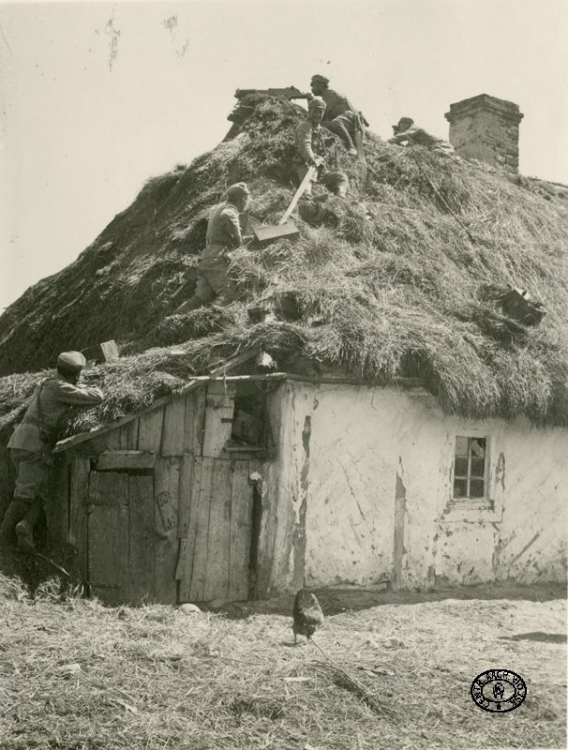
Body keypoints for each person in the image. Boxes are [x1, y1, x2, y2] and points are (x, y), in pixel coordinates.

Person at [0, 351, 103, 553]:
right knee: (25, 494)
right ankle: (3, 542)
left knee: (40, 491)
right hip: (34, 446)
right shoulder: (59, 388)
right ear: (75, 375)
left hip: (21, 442)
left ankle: (25, 527)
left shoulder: (47, 383)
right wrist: (91, 386)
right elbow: (96, 397)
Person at [177, 183, 250, 313]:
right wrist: (238, 239)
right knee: (229, 291)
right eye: (246, 199)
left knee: (201, 297)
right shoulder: (230, 209)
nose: (247, 202)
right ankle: (209, 316)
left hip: (206, 257)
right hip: (217, 257)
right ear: (241, 199)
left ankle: (175, 318)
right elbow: (227, 216)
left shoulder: (217, 208)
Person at [294, 97, 349, 198]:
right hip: (304, 165)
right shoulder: (305, 127)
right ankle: (307, 194)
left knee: (341, 177)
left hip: (319, 169)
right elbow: (304, 145)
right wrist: (311, 159)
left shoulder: (319, 130)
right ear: (309, 111)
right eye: (315, 111)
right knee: (309, 173)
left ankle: (341, 196)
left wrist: (327, 144)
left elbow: (320, 148)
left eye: (321, 112)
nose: (318, 115)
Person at [309, 74, 365, 156]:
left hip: (350, 118)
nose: (312, 89)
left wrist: (311, 102)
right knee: (322, 125)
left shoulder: (330, 93)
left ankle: (351, 146)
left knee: (336, 122)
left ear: (321, 85)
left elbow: (322, 114)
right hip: (344, 120)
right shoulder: (326, 97)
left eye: (314, 86)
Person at [388, 117, 455, 155]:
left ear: (404, 124)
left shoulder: (415, 128)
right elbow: (406, 149)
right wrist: (396, 142)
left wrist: (389, 141)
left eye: (400, 127)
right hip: (434, 148)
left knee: (437, 154)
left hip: (441, 145)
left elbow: (404, 135)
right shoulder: (412, 139)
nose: (400, 130)